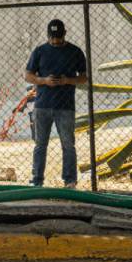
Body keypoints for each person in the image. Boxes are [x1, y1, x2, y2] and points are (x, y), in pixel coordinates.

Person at [24, 18, 88, 188]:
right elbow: (28, 75)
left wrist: (67, 80)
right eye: (52, 37)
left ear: (64, 34)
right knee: (40, 145)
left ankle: (70, 181)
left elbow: (84, 77)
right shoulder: (39, 51)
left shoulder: (75, 52)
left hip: (65, 107)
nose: (55, 40)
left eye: (58, 37)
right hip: (42, 105)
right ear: (48, 35)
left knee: (68, 145)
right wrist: (44, 80)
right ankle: (37, 180)